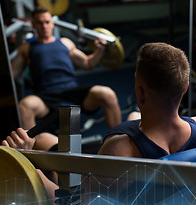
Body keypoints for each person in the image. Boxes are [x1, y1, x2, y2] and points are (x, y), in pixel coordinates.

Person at [11, 6, 122, 134]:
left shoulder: (66, 43)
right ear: (33, 25)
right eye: (40, 23)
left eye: (47, 22)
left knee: (107, 93)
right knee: (25, 106)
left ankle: (118, 140)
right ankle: (32, 151)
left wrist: (100, 50)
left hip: (72, 91)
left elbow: (87, 63)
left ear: (52, 23)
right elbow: (12, 73)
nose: (44, 26)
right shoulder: (26, 48)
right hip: (46, 96)